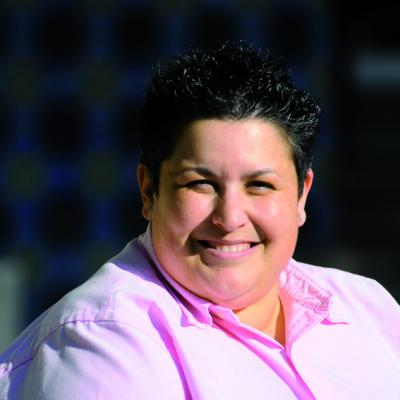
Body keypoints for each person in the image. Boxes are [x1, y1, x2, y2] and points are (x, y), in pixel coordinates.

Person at [1, 41, 399, 400]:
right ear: (149, 191)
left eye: (259, 185)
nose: (230, 218)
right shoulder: (103, 340)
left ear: (301, 195)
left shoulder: (364, 307)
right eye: (200, 184)